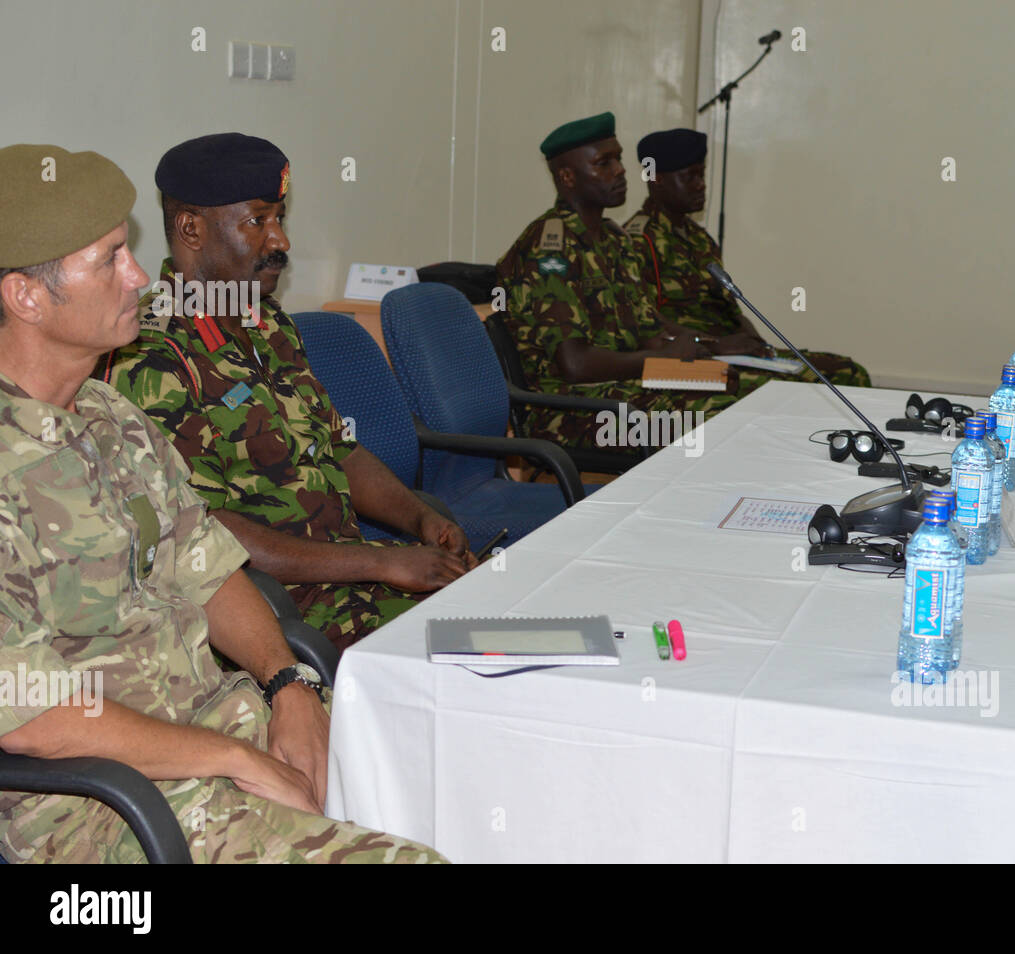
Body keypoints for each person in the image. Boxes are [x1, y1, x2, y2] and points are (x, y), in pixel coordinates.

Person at [0, 143, 443, 863]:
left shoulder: (113, 418)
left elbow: (207, 567)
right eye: (110, 259)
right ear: (25, 295)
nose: (140, 277)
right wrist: (233, 759)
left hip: (221, 728)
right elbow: (33, 718)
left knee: (456, 771)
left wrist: (289, 682)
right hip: (105, 804)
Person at [102, 134, 473, 649]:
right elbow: (203, 532)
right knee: (462, 654)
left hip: (351, 578)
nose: (280, 241)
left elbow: (336, 449)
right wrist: (384, 560)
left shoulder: (267, 323)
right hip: (279, 617)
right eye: (258, 221)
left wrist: (421, 519)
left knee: (505, 610)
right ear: (191, 228)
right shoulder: (152, 358)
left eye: (280, 218)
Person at [497, 112, 767, 448]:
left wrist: (699, 346)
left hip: (624, 387)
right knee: (717, 418)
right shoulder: (549, 248)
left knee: (747, 394)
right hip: (568, 411)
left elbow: (649, 330)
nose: (621, 170)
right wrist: (663, 361)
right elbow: (575, 364)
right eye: (604, 163)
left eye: (619, 159)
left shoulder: (615, 240)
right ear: (567, 176)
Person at [624, 128, 871, 389]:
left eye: (702, 174)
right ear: (656, 179)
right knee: (782, 389)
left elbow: (729, 306)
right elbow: (646, 323)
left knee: (849, 373)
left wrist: (757, 343)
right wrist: (714, 344)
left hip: (733, 351)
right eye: (689, 177)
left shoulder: (699, 237)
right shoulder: (639, 240)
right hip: (694, 359)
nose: (701, 184)